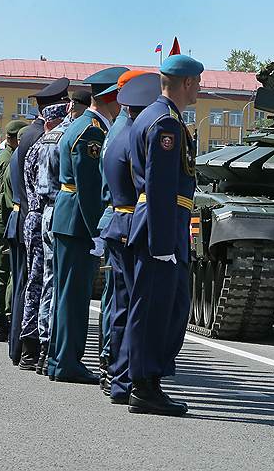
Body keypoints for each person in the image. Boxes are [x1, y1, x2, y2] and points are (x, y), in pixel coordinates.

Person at [126, 54, 201, 416]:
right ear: (186, 83)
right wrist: (161, 244)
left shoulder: (156, 116)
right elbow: (158, 186)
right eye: (197, 82)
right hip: (162, 226)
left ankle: (148, 381)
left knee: (167, 307)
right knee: (156, 309)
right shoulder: (165, 124)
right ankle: (144, 384)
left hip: (166, 224)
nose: (200, 88)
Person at [48, 72, 120, 384]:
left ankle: (58, 358)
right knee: (74, 296)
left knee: (67, 293)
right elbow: (90, 188)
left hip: (70, 218)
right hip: (79, 221)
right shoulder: (91, 131)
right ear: (113, 97)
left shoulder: (84, 126)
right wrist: (98, 232)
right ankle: (67, 362)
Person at [102, 71, 160, 404]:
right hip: (131, 226)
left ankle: (120, 378)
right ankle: (130, 379)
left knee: (122, 307)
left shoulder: (119, 134)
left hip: (118, 222)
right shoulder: (138, 136)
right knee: (138, 308)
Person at [8, 78, 65, 365]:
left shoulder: (28, 139)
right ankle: (34, 347)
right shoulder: (41, 140)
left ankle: (25, 347)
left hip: (29, 215)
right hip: (41, 214)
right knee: (42, 283)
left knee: (31, 283)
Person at [90, 67, 140, 393]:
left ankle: (109, 361)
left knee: (114, 296)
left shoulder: (116, 129)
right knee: (119, 299)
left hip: (113, 217)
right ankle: (111, 360)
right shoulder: (127, 130)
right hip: (123, 217)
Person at [34, 89, 90, 375]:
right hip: (62, 208)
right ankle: (52, 347)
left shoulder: (48, 137)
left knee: (48, 281)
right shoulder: (73, 133)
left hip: (45, 209)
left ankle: (45, 347)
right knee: (59, 285)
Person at [0, 120, 26, 341]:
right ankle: (5, 317)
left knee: (0, 272)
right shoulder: (9, 161)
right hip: (8, 218)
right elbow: (9, 199)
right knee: (10, 272)